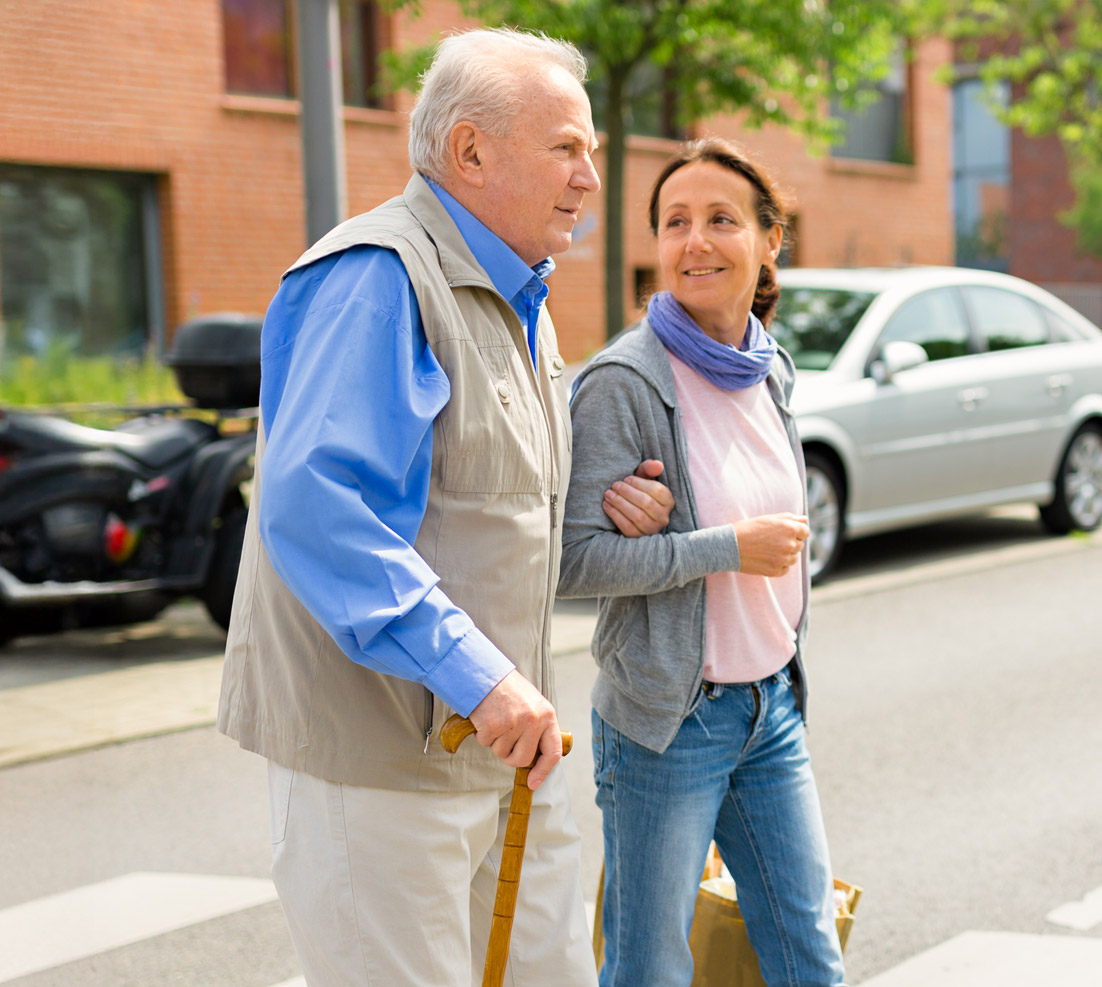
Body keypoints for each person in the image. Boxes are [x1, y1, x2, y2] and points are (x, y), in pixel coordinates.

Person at [217, 27, 670, 987]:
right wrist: (482, 678)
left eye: (588, 151)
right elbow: (320, 508)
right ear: (470, 151)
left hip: (502, 751)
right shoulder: (378, 278)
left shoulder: (523, 299)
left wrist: (613, 501)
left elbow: (492, 500)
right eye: (567, 147)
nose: (591, 175)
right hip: (382, 761)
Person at [559, 137, 847, 987]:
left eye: (721, 219)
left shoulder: (770, 370)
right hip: (666, 722)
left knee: (808, 955)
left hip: (771, 711)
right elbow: (573, 562)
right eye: (675, 222)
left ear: (768, 243)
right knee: (650, 969)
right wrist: (725, 550)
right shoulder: (625, 381)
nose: (695, 241)